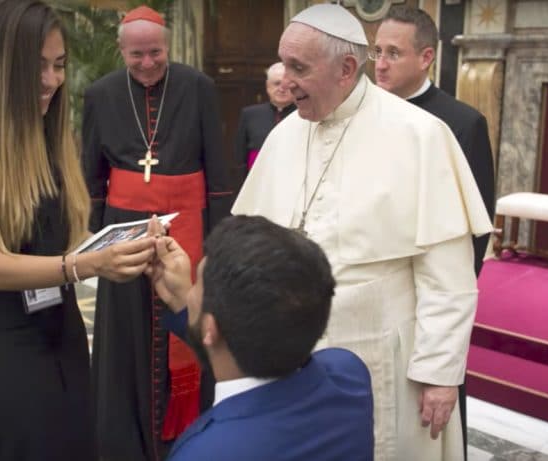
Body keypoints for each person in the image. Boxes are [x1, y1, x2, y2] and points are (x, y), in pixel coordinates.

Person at [232, 4, 493, 461]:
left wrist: (439, 374)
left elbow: (447, 277)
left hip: (385, 355)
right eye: (284, 63)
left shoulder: (421, 135)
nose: (284, 80)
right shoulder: (284, 135)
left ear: (346, 68)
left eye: (299, 68)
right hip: (292, 354)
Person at [0, 1, 157, 459]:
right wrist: (85, 265)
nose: (52, 81)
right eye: (37, 67)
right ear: (0, 66)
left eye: (59, 66)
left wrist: (126, 243)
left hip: (59, 326)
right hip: (0, 338)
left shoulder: (45, 135)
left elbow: (59, 238)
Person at [82, 5, 233, 460]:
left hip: (190, 227)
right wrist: (96, 234)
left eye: (156, 53)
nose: (147, 63)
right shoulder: (100, 94)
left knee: (189, 324)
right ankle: (127, 440)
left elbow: (219, 168)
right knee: (126, 340)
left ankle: (187, 434)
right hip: (124, 232)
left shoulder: (199, 87)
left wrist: (218, 237)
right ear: (120, 51)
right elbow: (92, 173)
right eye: (136, 56)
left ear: (168, 46)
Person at [373, 6, 496, 456]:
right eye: (377, 51)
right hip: (378, 295)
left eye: (393, 53)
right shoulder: (364, 114)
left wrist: (446, 308)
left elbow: (474, 231)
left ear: (426, 57)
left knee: (432, 418)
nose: (380, 64)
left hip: (430, 290)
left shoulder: (460, 123)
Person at [147, 215, 373, 460]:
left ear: (211, 328)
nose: (191, 292)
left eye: (197, 284)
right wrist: (185, 303)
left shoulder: (205, 450)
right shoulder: (349, 376)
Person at [233, 62, 295, 180]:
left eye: (287, 85)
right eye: (276, 83)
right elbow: (240, 156)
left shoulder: (304, 115)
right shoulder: (249, 114)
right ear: (267, 86)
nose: (282, 89)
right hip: (256, 179)